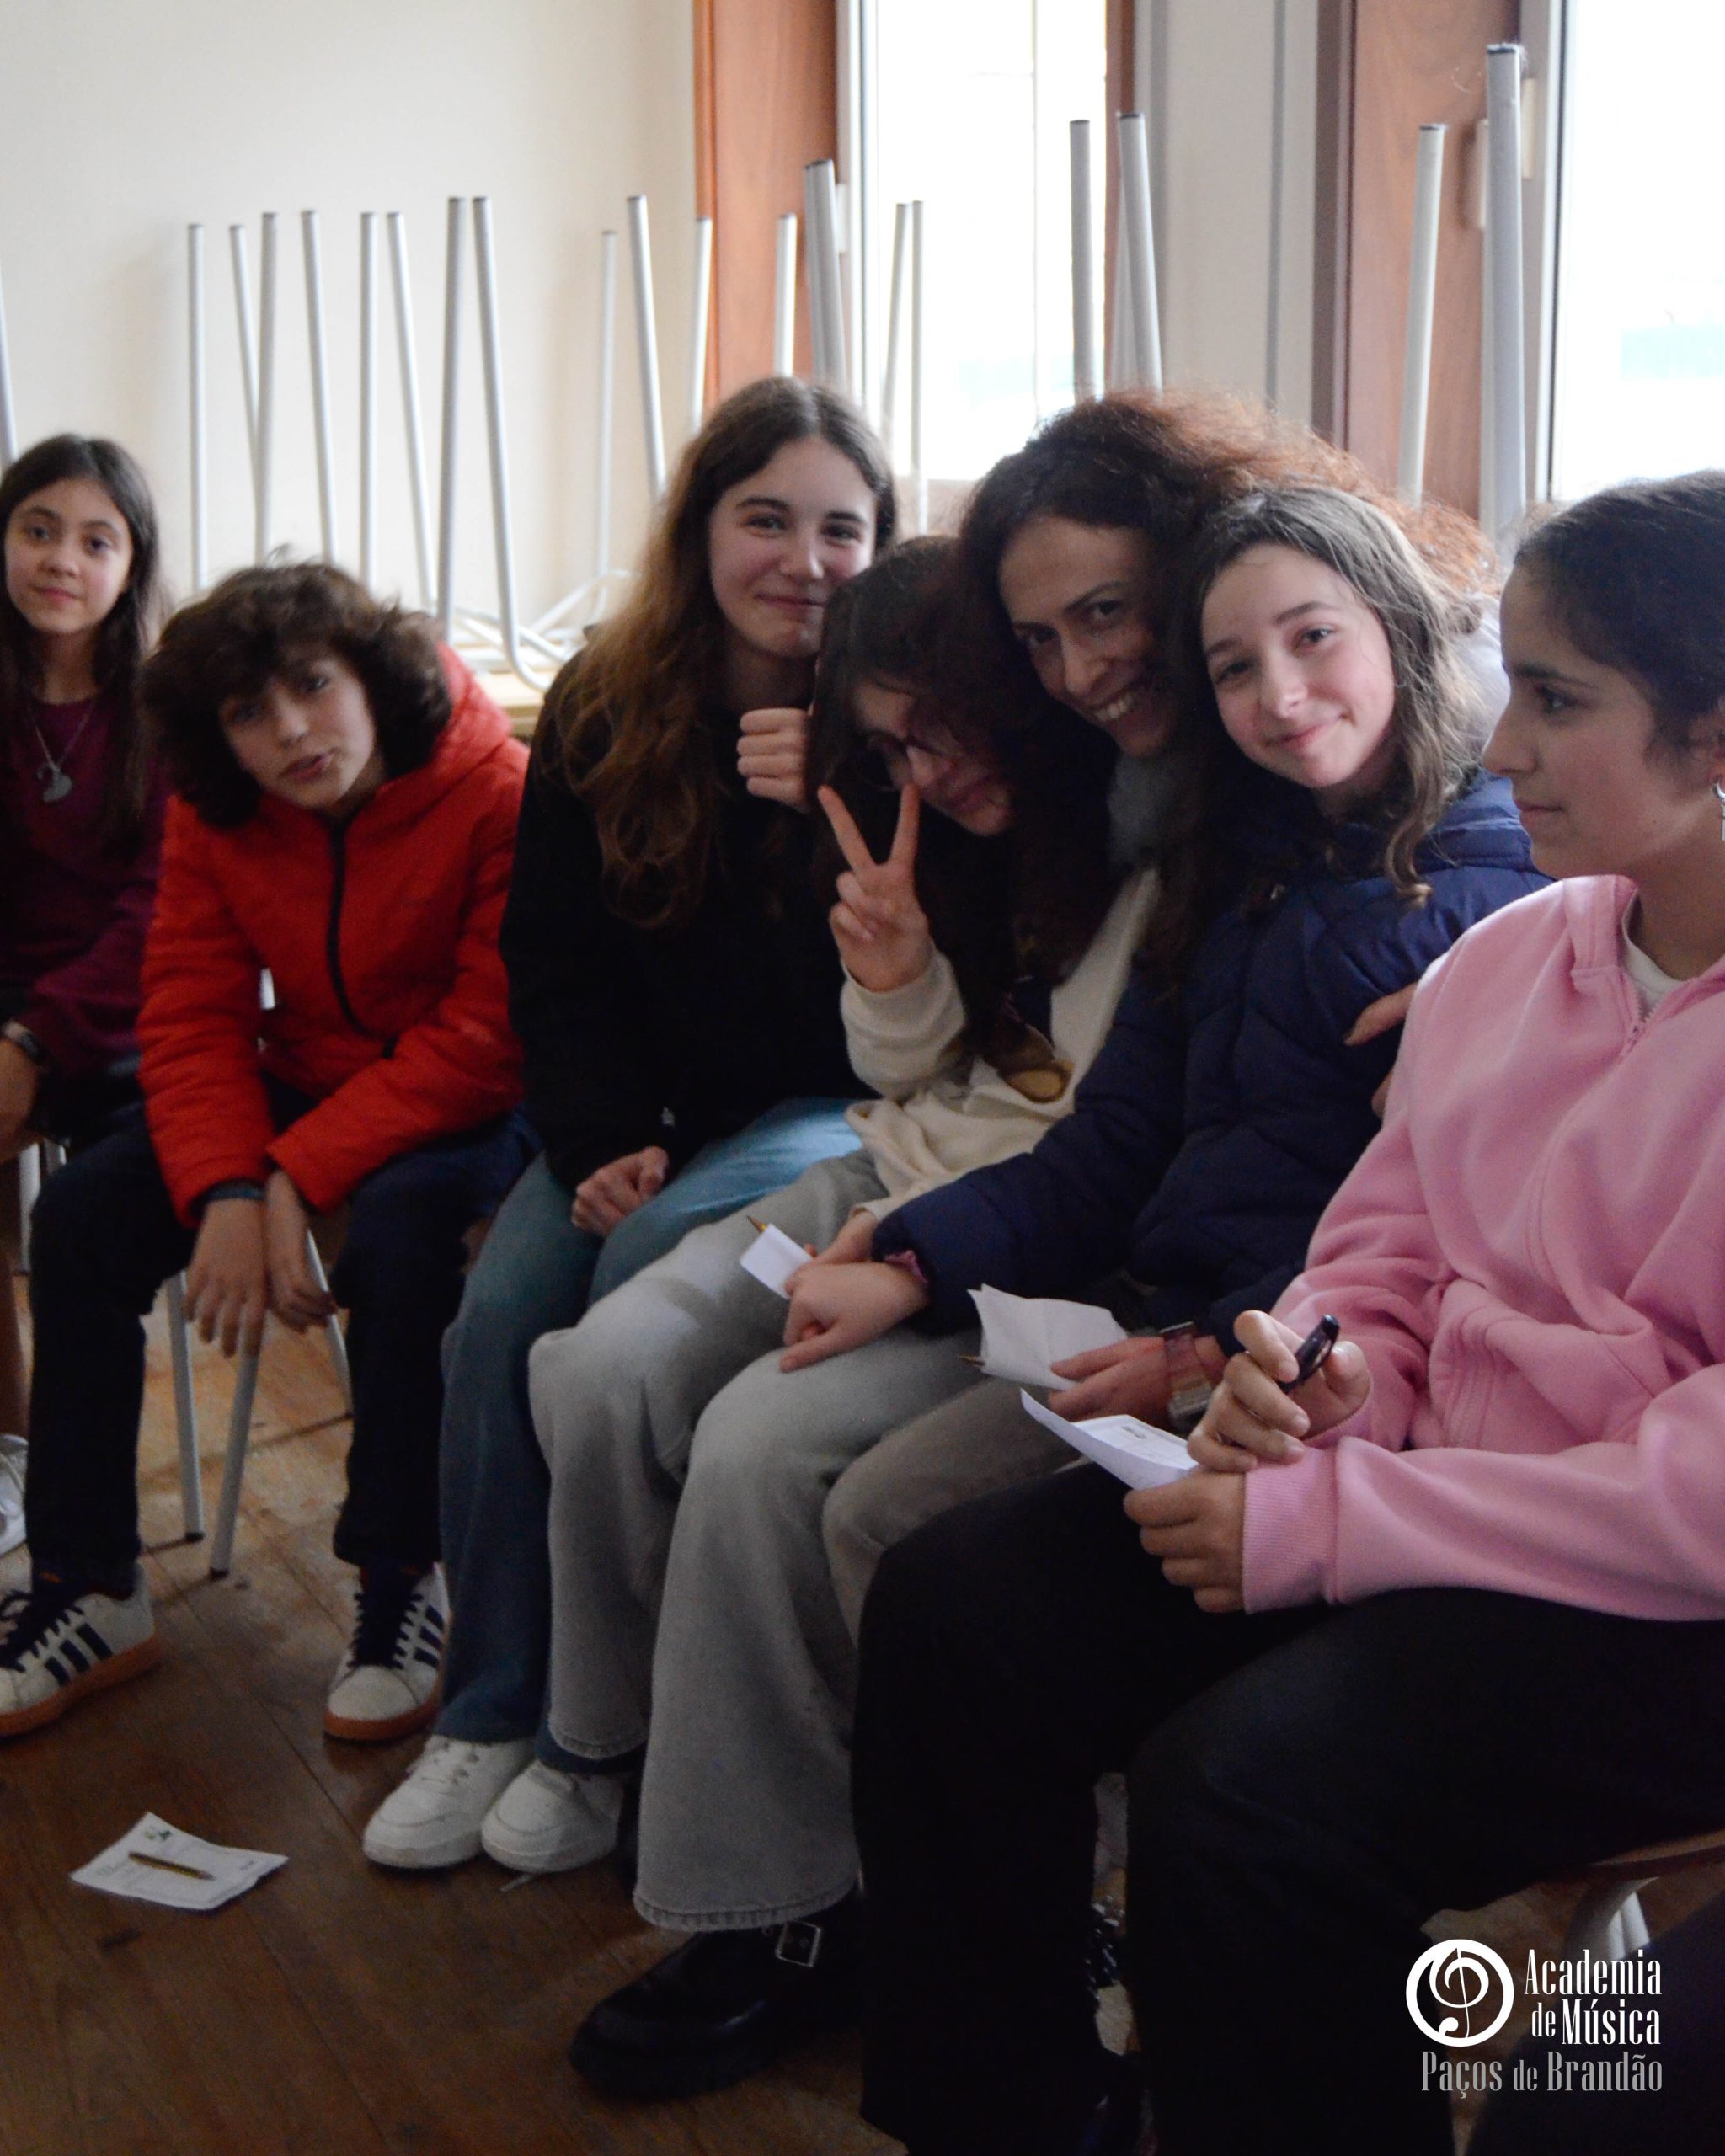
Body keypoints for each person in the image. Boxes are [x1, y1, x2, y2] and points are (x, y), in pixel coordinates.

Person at [852, 471, 1725, 2156]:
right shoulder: (1514, 961)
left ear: (1715, 732)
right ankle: (1011, 2113)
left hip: (1660, 1610)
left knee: (1244, 1796)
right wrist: (1311, 1376)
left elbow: (1697, 1499)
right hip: (1417, 1502)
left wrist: (1335, 1522)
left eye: (1557, 701)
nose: (1505, 744)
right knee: (961, 1601)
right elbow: (1382, 1247)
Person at [523, 531, 1151, 2096]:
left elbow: (1100, 1147)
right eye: (894, 743)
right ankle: (623, 1756)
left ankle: (782, 1905)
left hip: (1011, 1247)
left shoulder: (1136, 842)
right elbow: (909, 1079)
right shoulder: (934, 831)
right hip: (886, 1178)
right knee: (603, 1368)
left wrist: (909, 1243)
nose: (931, 767)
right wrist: (894, 972)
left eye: (949, 724)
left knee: (757, 1447)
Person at [818, 391, 1503, 1632]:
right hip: (1162, 1314)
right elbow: (1120, 1133)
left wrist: (1198, 1360)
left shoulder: (1504, 906)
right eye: (1235, 669)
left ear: (1398, 626)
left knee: (902, 1536)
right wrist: (918, 1258)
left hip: (1287, 1372)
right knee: (870, 1507)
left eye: (1313, 640)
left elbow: (1424, 1247)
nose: (1281, 697)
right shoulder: (1232, 859)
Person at [363, 376, 895, 1868]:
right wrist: (598, 1134)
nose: (804, 561)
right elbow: (553, 959)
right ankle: (491, 1709)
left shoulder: (897, 716)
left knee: (641, 1277)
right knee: (496, 1318)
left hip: (823, 1107)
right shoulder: (608, 698)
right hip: (634, 1112)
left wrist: (822, 808)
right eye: (767, 520)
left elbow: (882, 1017)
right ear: (702, 530)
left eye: (842, 529)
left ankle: (611, 1726)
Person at [0, 563, 534, 1742]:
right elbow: (191, 1009)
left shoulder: (495, 787)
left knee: (404, 1239)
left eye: (312, 686)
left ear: (371, 678)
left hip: (468, 1097)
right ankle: (90, 1584)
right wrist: (231, 1186)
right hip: (310, 1076)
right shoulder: (217, 809)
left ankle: (401, 1577)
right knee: (79, 1220)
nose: (291, 730)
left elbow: (487, 1036)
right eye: (250, 711)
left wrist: (294, 1174)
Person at [0, 436, 167, 1556]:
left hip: (122, 1016)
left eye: (96, 540)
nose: (63, 560)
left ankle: (43, 1478)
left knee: (87, 1222)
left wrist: (32, 1040)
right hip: (10, 1005)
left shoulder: (165, 710)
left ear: (131, 565)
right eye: (37, 530)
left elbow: (158, 919)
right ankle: (8, 1438)